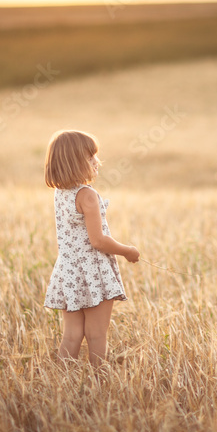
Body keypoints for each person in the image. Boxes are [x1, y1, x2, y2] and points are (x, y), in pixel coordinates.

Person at [43, 130, 139, 365]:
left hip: (68, 270)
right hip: (93, 271)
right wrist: (128, 251)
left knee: (72, 334)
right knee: (97, 334)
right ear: (73, 163)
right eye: (90, 158)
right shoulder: (87, 196)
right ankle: (98, 380)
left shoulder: (60, 193)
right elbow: (98, 241)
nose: (97, 162)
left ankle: (62, 380)